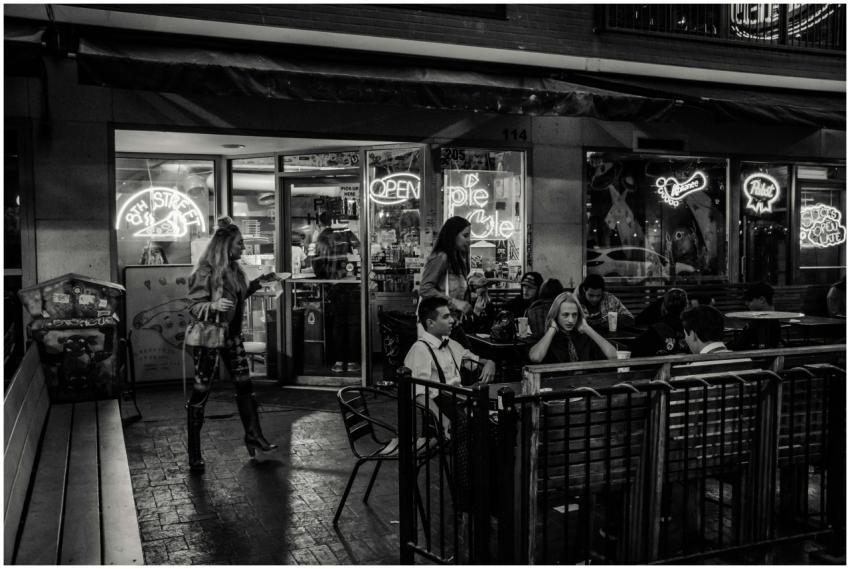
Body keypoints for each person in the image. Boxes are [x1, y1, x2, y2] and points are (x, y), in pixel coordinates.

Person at [185, 216, 279, 472]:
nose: (244, 248)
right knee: (201, 392)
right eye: (240, 243)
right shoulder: (205, 272)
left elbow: (240, 295)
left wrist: (263, 280)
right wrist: (212, 306)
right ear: (225, 245)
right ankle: (194, 453)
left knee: (245, 387)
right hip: (209, 338)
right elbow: (192, 306)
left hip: (232, 338)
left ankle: (253, 435)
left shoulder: (235, 271)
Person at [404, 297, 496, 438]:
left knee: (500, 416)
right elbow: (419, 394)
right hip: (443, 409)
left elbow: (473, 362)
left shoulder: (451, 343)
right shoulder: (420, 350)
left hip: (460, 401)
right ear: (431, 323)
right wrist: (443, 420)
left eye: (451, 316)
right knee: (489, 428)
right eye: (446, 317)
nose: (452, 320)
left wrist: (489, 363)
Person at [313, 212, 362, 373]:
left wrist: (326, 281)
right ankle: (354, 361)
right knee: (353, 324)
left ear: (320, 223)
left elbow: (317, 266)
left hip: (333, 286)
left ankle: (339, 362)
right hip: (352, 285)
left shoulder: (321, 239)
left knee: (338, 325)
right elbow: (361, 251)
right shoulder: (348, 234)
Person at [419, 216, 474, 346]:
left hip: (453, 323)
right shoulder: (441, 257)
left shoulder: (458, 259)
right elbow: (425, 288)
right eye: (465, 236)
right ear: (453, 235)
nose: (469, 240)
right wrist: (454, 302)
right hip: (439, 325)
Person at [528, 292, 618, 364]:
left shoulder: (585, 335)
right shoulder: (547, 337)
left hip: (585, 383)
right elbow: (536, 357)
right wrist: (552, 329)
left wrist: (587, 329)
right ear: (556, 315)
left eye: (574, 315)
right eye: (565, 315)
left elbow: (614, 356)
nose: (571, 320)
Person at [630, 288, 690, 357]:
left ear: (664, 307)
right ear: (686, 307)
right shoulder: (692, 330)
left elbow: (631, 351)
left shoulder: (657, 329)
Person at [727, 282, 781, 350]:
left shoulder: (763, 322)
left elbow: (739, 344)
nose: (746, 303)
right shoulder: (770, 320)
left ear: (762, 300)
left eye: (750, 300)